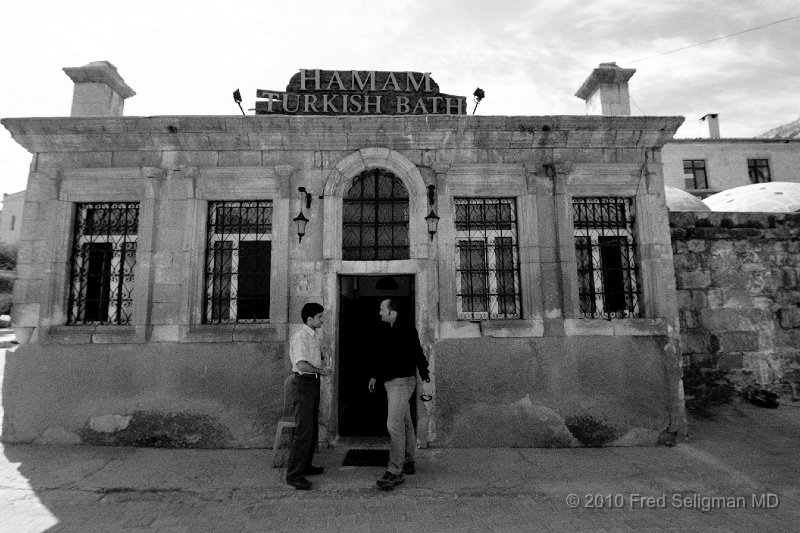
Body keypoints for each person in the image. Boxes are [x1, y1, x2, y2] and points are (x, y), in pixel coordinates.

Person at [369, 297, 430, 490]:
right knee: (405, 422)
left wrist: (425, 375)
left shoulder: (406, 329)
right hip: (392, 383)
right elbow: (385, 357)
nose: (379, 312)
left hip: (401, 384)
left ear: (392, 313)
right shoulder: (390, 329)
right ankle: (409, 460)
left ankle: (395, 470)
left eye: (382, 309)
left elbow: (418, 353)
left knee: (393, 424)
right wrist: (375, 376)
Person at [285, 302, 331, 490]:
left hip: (313, 382)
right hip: (304, 382)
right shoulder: (300, 337)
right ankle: (294, 474)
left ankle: (306, 465)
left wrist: (323, 356)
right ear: (309, 319)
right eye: (319, 317)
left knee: (311, 427)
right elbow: (302, 365)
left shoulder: (315, 336)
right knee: (304, 429)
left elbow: (313, 358)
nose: (322, 320)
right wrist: (322, 371)